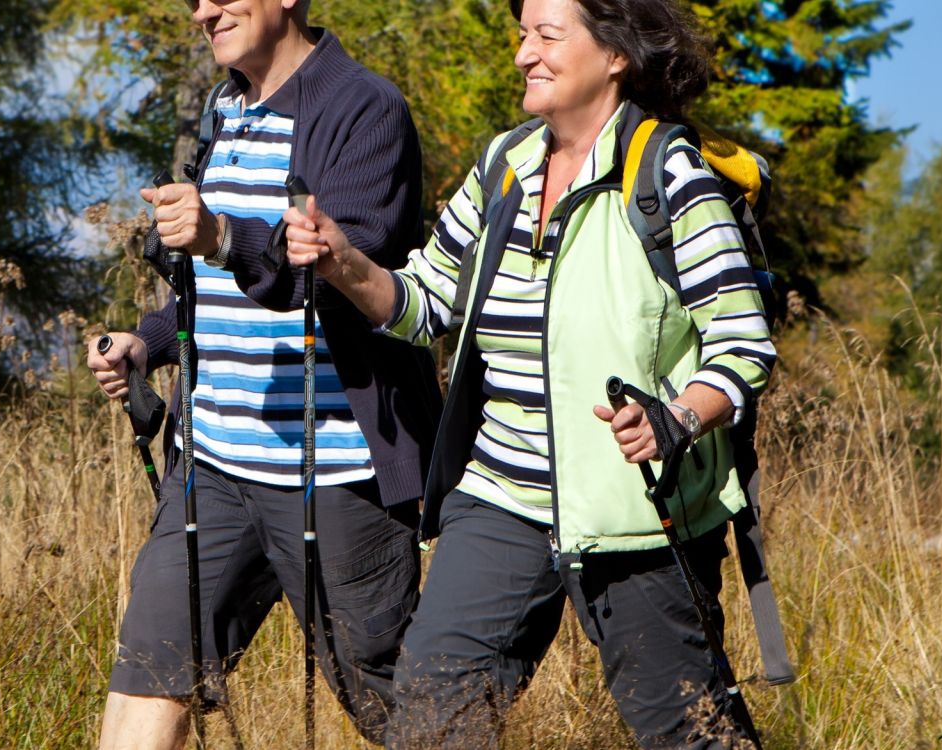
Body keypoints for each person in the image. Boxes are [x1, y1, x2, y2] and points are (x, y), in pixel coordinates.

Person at [281, 0, 778, 745]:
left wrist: (675, 416)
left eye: (548, 35)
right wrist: (343, 260)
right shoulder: (504, 165)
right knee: (433, 705)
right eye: (522, 35)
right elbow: (422, 305)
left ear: (615, 55)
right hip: (501, 497)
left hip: (635, 511)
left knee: (688, 729)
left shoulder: (668, 172)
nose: (524, 54)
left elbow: (742, 344)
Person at [84, 0, 441, 746]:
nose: (203, 11)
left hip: (340, 479)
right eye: (193, 1)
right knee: (149, 671)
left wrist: (219, 235)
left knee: (403, 712)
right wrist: (146, 341)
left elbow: (336, 270)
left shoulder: (365, 109)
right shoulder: (225, 108)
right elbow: (205, 290)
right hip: (210, 467)